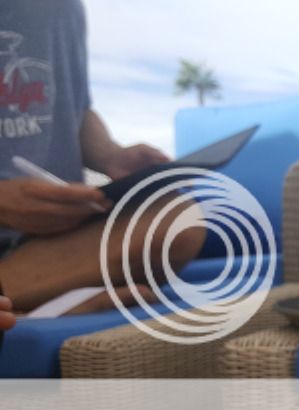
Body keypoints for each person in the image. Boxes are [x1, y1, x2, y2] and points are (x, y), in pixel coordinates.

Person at [0, 0, 206, 315]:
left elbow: (74, 107)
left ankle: (37, 304)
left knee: (177, 219)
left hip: (46, 242)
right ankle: (45, 308)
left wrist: (110, 156)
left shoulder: (66, 8)